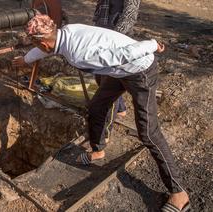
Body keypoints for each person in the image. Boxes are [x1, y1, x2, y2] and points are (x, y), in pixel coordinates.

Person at [12, 15, 190, 211]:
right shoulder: (65, 33)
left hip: (140, 71)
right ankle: (98, 150)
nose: (39, 47)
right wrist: (26, 59)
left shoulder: (79, 53)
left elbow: (125, 54)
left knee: (148, 132)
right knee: (97, 107)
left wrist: (152, 44)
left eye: (36, 44)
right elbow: (48, 48)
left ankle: (179, 193)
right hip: (119, 72)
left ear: (43, 42)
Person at [92, 0, 142, 143]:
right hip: (101, 37)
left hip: (115, 42)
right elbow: (99, 9)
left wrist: (112, 39)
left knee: (107, 88)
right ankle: (121, 110)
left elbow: (129, 17)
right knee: (99, 78)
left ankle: (104, 135)